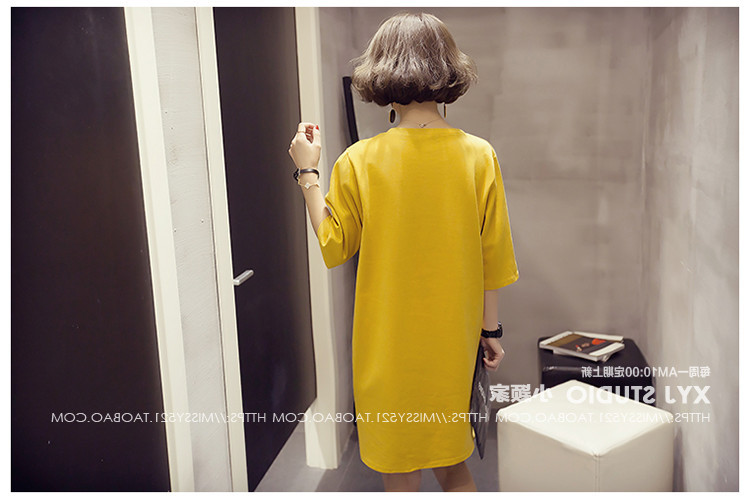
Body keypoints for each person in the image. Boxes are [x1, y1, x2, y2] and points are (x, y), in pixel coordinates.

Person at [288, 12, 519, 492]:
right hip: (452, 342)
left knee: (399, 468)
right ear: (447, 72)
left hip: (386, 345)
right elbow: (493, 254)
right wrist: (490, 330)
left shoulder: (359, 160)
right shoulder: (480, 155)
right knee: (452, 463)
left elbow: (334, 245)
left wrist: (308, 173)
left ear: (382, 73)